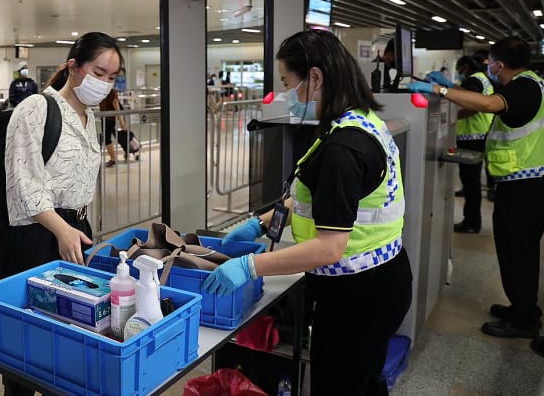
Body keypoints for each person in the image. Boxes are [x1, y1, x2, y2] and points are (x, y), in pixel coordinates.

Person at [204, 30, 412, 396]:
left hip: (356, 297)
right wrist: (260, 222)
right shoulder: (359, 122)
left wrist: (250, 266)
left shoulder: (342, 149)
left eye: (287, 82)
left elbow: (329, 248)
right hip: (381, 280)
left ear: (315, 78)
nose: (286, 95)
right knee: (364, 380)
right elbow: (318, 198)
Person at [0, 32, 122, 396]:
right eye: (98, 72)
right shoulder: (36, 108)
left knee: (66, 335)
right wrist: (62, 230)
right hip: (37, 235)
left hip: (74, 231)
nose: (105, 83)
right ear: (74, 66)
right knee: (27, 340)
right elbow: (24, 183)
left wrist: (76, 229)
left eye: (112, 77)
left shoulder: (89, 117)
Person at [408, 37, 544, 340]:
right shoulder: (527, 84)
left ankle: (525, 320)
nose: (487, 66)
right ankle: (522, 307)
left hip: (525, 185)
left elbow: (488, 104)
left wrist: (439, 90)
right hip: (521, 182)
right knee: (515, 249)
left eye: (490, 61)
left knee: (518, 251)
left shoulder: (524, 86)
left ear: (500, 64)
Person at [451, 56, 493, 233]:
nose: (459, 74)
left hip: (471, 137)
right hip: (480, 135)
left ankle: (471, 222)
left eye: (460, 70)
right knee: (472, 182)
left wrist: (453, 117)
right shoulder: (483, 79)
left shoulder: (473, 80)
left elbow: (473, 106)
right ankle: (472, 221)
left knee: (471, 183)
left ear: (466, 67)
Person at [99, 87, 126, 167]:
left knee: (107, 138)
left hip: (109, 118)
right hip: (105, 117)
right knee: (111, 137)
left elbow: (115, 103)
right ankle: (115, 157)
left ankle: (113, 158)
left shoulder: (110, 90)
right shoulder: (104, 89)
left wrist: (121, 121)